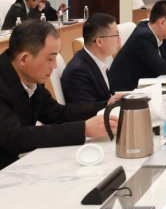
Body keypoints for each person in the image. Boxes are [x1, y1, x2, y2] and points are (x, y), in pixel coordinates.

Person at [0, 21, 119, 171]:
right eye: (50, 58)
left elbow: (57, 113)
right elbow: (15, 137)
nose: (55, 65)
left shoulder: (31, 77)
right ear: (24, 59)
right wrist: (83, 129)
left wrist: (106, 105)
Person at [110, 0, 166, 92]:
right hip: (127, 90)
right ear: (162, 23)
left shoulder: (163, 34)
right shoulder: (142, 36)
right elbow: (160, 67)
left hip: (147, 85)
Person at [61, 14, 120, 104]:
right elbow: (87, 108)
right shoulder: (78, 72)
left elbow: (109, 95)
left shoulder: (99, 60)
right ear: (99, 42)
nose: (119, 40)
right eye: (116, 35)